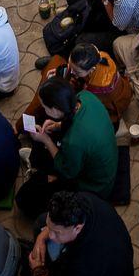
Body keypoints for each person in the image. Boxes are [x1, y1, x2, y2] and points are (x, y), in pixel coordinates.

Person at [19, 187, 137, 276]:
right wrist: (42, 236)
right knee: (40, 222)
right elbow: (48, 228)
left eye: (57, 233)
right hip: (100, 266)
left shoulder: (85, 265)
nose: (51, 235)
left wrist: (37, 272)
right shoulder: (82, 200)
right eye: (50, 228)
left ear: (77, 228)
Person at [16, 78, 119, 221]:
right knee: (45, 138)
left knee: (24, 198)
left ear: (57, 109)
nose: (45, 110)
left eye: (46, 107)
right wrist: (59, 125)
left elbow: (68, 172)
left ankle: (47, 175)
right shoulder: (86, 96)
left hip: (95, 186)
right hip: (102, 160)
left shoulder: (74, 142)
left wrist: (46, 140)